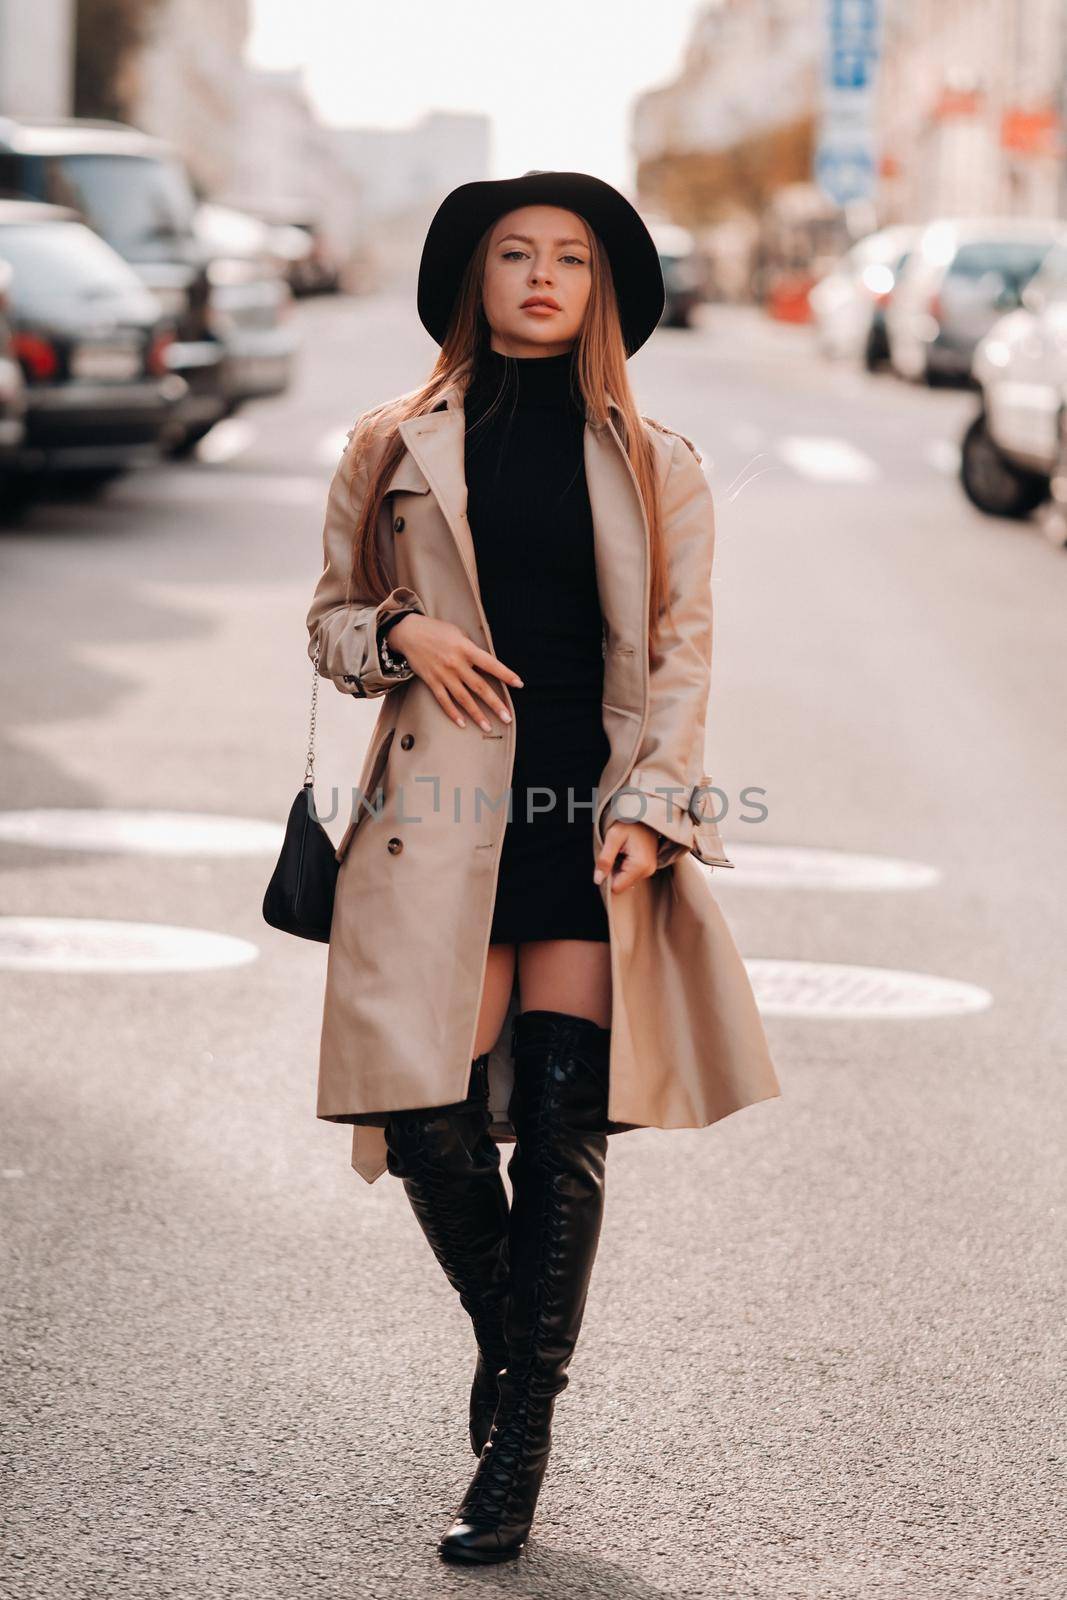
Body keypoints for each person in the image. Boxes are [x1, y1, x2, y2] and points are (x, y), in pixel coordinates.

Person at [304, 170, 780, 1564]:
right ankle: (514, 1344)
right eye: (514, 254)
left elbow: (684, 654)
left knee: (568, 1120)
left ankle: (519, 1436)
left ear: (601, 291)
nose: (540, 277)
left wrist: (659, 802)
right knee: (431, 1107)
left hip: (588, 808)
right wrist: (405, 635)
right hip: (438, 818)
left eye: (569, 258)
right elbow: (326, 625)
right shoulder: (392, 443)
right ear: (474, 278)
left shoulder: (659, 459)